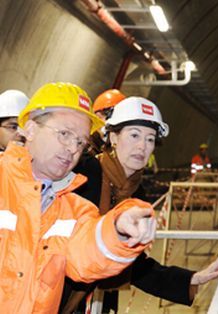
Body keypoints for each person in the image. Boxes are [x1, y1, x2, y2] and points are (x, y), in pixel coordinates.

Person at [61, 96, 218, 313]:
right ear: (113, 137)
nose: (142, 146)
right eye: (134, 135)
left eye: (150, 139)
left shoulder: (136, 194)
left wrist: (191, 279)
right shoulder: (84, 174)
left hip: (97, 300)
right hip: (58, 293)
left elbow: (134, 264)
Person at [0, 82, 157, 313]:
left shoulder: (75, 209)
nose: (72, 149)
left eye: (80, 142)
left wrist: (117, 230)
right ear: (31, 130)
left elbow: (87, 256)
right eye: (64, 134)